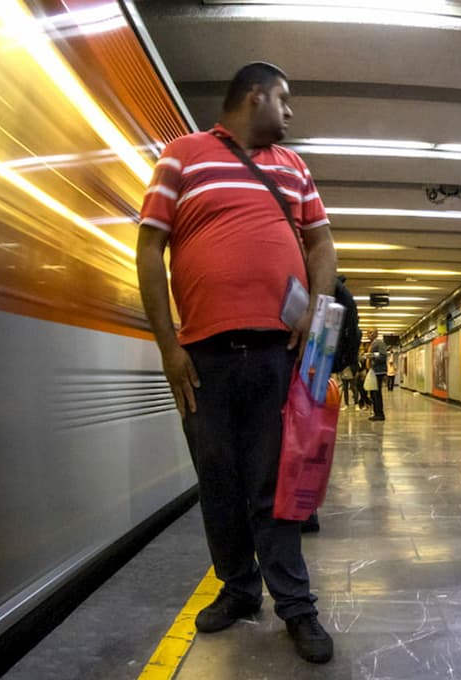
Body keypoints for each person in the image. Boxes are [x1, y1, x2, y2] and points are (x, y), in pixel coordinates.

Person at [135, 62, 334, 664]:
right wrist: (168, 344)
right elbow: (150, 246)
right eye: (285, 99)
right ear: (255, 96)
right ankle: (240, 590)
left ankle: (296, 606)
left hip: (279, 352)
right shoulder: (182, 156)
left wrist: (318, 313)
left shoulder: (294, 169)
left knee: (277, 487)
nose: (291, 114)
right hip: (204, 357)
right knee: (218, 482)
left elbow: (321, 242)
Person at [364, 330, 388, 421]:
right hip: (373, 371)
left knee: (377, 393)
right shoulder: (372, 344)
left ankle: (379, 413)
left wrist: (372, 357)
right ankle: (376, 412)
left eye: (370, 332)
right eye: (368, 333)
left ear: (375, 333)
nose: (368, 335)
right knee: (374, 393)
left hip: (378, 371)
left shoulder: (379, 342)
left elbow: (383, 355)